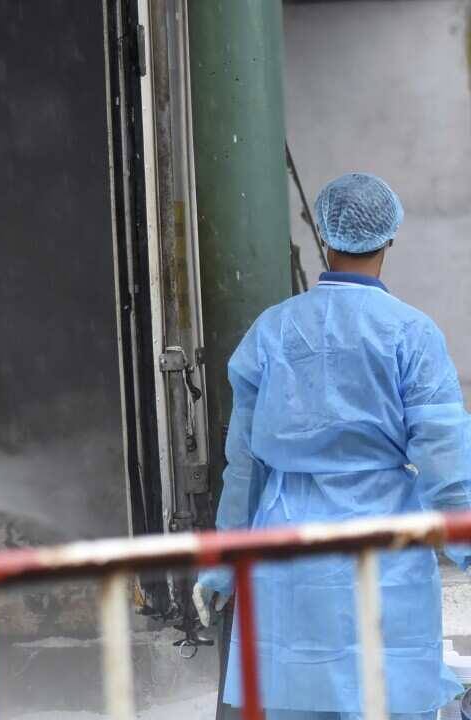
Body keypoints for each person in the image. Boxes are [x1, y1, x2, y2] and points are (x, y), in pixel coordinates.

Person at [192, 173, 471, 719]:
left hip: (286, 556)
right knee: (382, 695)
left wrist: (222, 567)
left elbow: (244, 470)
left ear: (324, 236)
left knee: (294, 696)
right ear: (390, 237)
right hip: (382, 552)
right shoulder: (411, 335)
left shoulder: (271, 332)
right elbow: (446, 462)